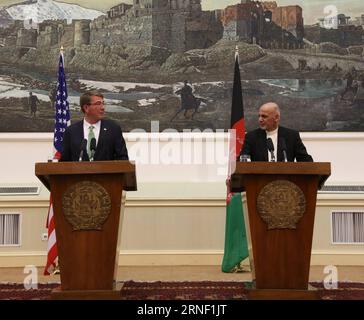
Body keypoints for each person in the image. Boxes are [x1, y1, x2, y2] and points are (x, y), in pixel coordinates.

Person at [60, 90, 129, 161]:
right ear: (86, 108)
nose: (103, 108)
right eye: (98, 104)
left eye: (103, 103)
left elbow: (123, 158)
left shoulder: (113, 129)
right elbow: (64, 161)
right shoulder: (71, 131)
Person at [239, 102, 313, 162]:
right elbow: (242, 161)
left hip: (285, 180)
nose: (260, 120)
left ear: (276, 118)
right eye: (259, 116)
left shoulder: (292, 136)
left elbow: (306, 161)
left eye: (264, 116)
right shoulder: (251, 137)